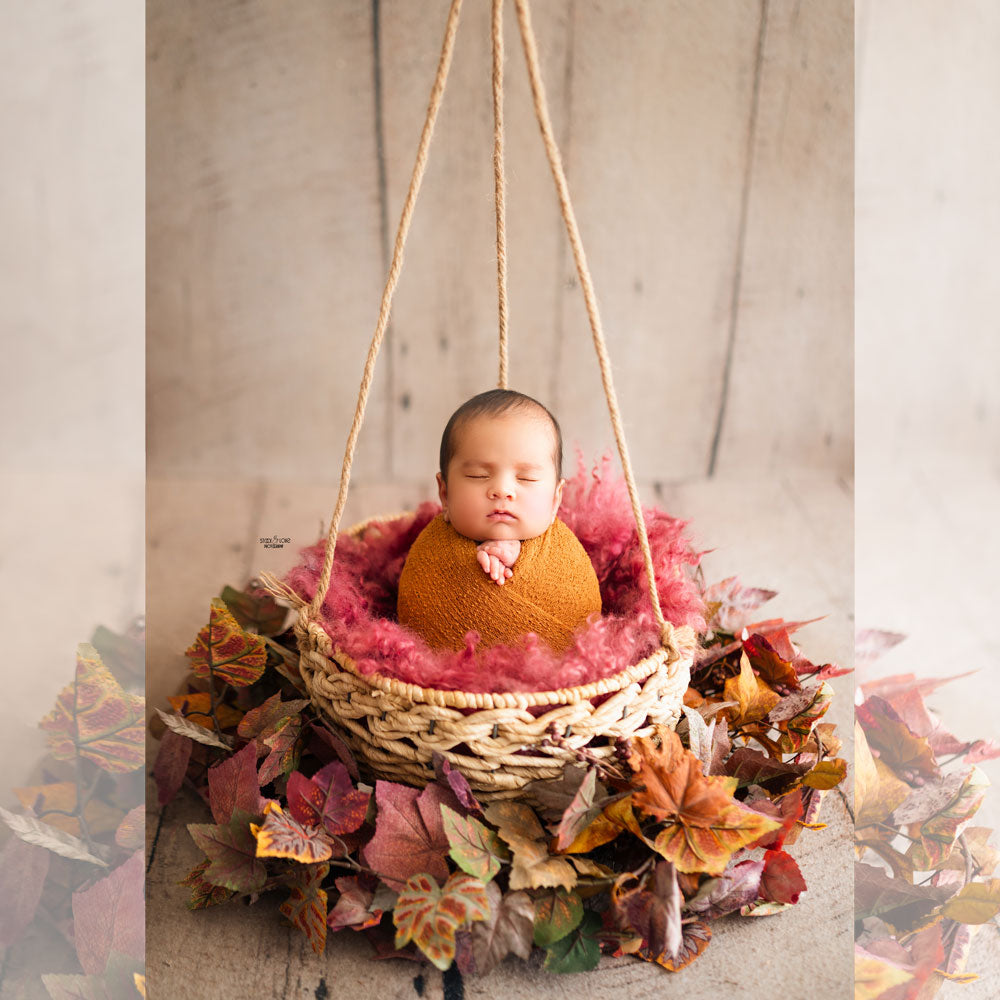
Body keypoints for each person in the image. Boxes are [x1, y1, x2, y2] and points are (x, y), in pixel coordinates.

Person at [396, 389, 602, 652]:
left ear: (555, 499)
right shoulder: (428, 552)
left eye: (526, 478)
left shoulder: (565, 554)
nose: (503, 490)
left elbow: (581, 606)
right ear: (445, 494)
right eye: (478, 475)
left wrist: (518, 553)